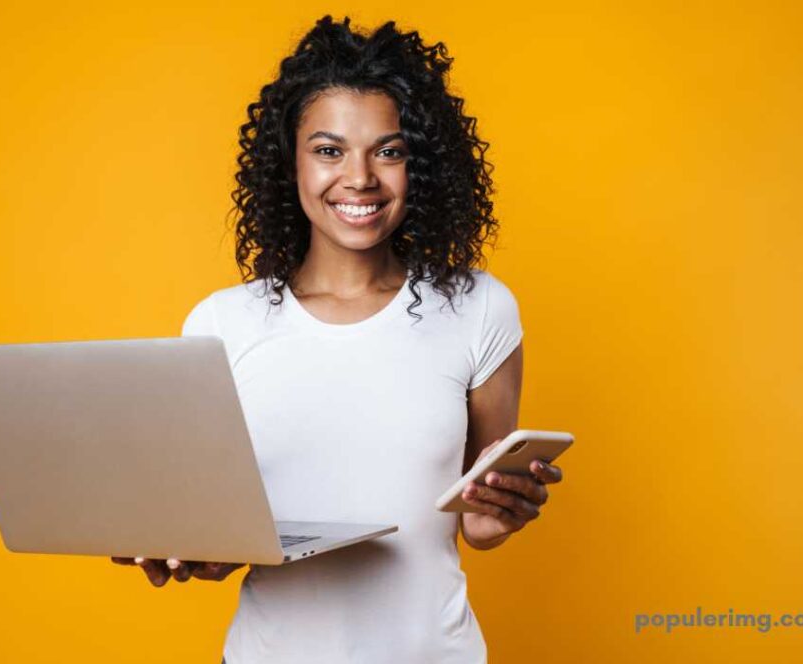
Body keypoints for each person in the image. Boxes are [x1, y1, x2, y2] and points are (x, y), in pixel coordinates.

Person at [112, 15, 564, 663]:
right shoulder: (221, 325)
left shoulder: (479, 309)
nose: (359, 178)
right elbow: (211, 527)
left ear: (421, 164)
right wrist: (190, 549)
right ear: (287, 161)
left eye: (389, 150)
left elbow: (478, 519)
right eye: (328, 150)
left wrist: (498, 514)